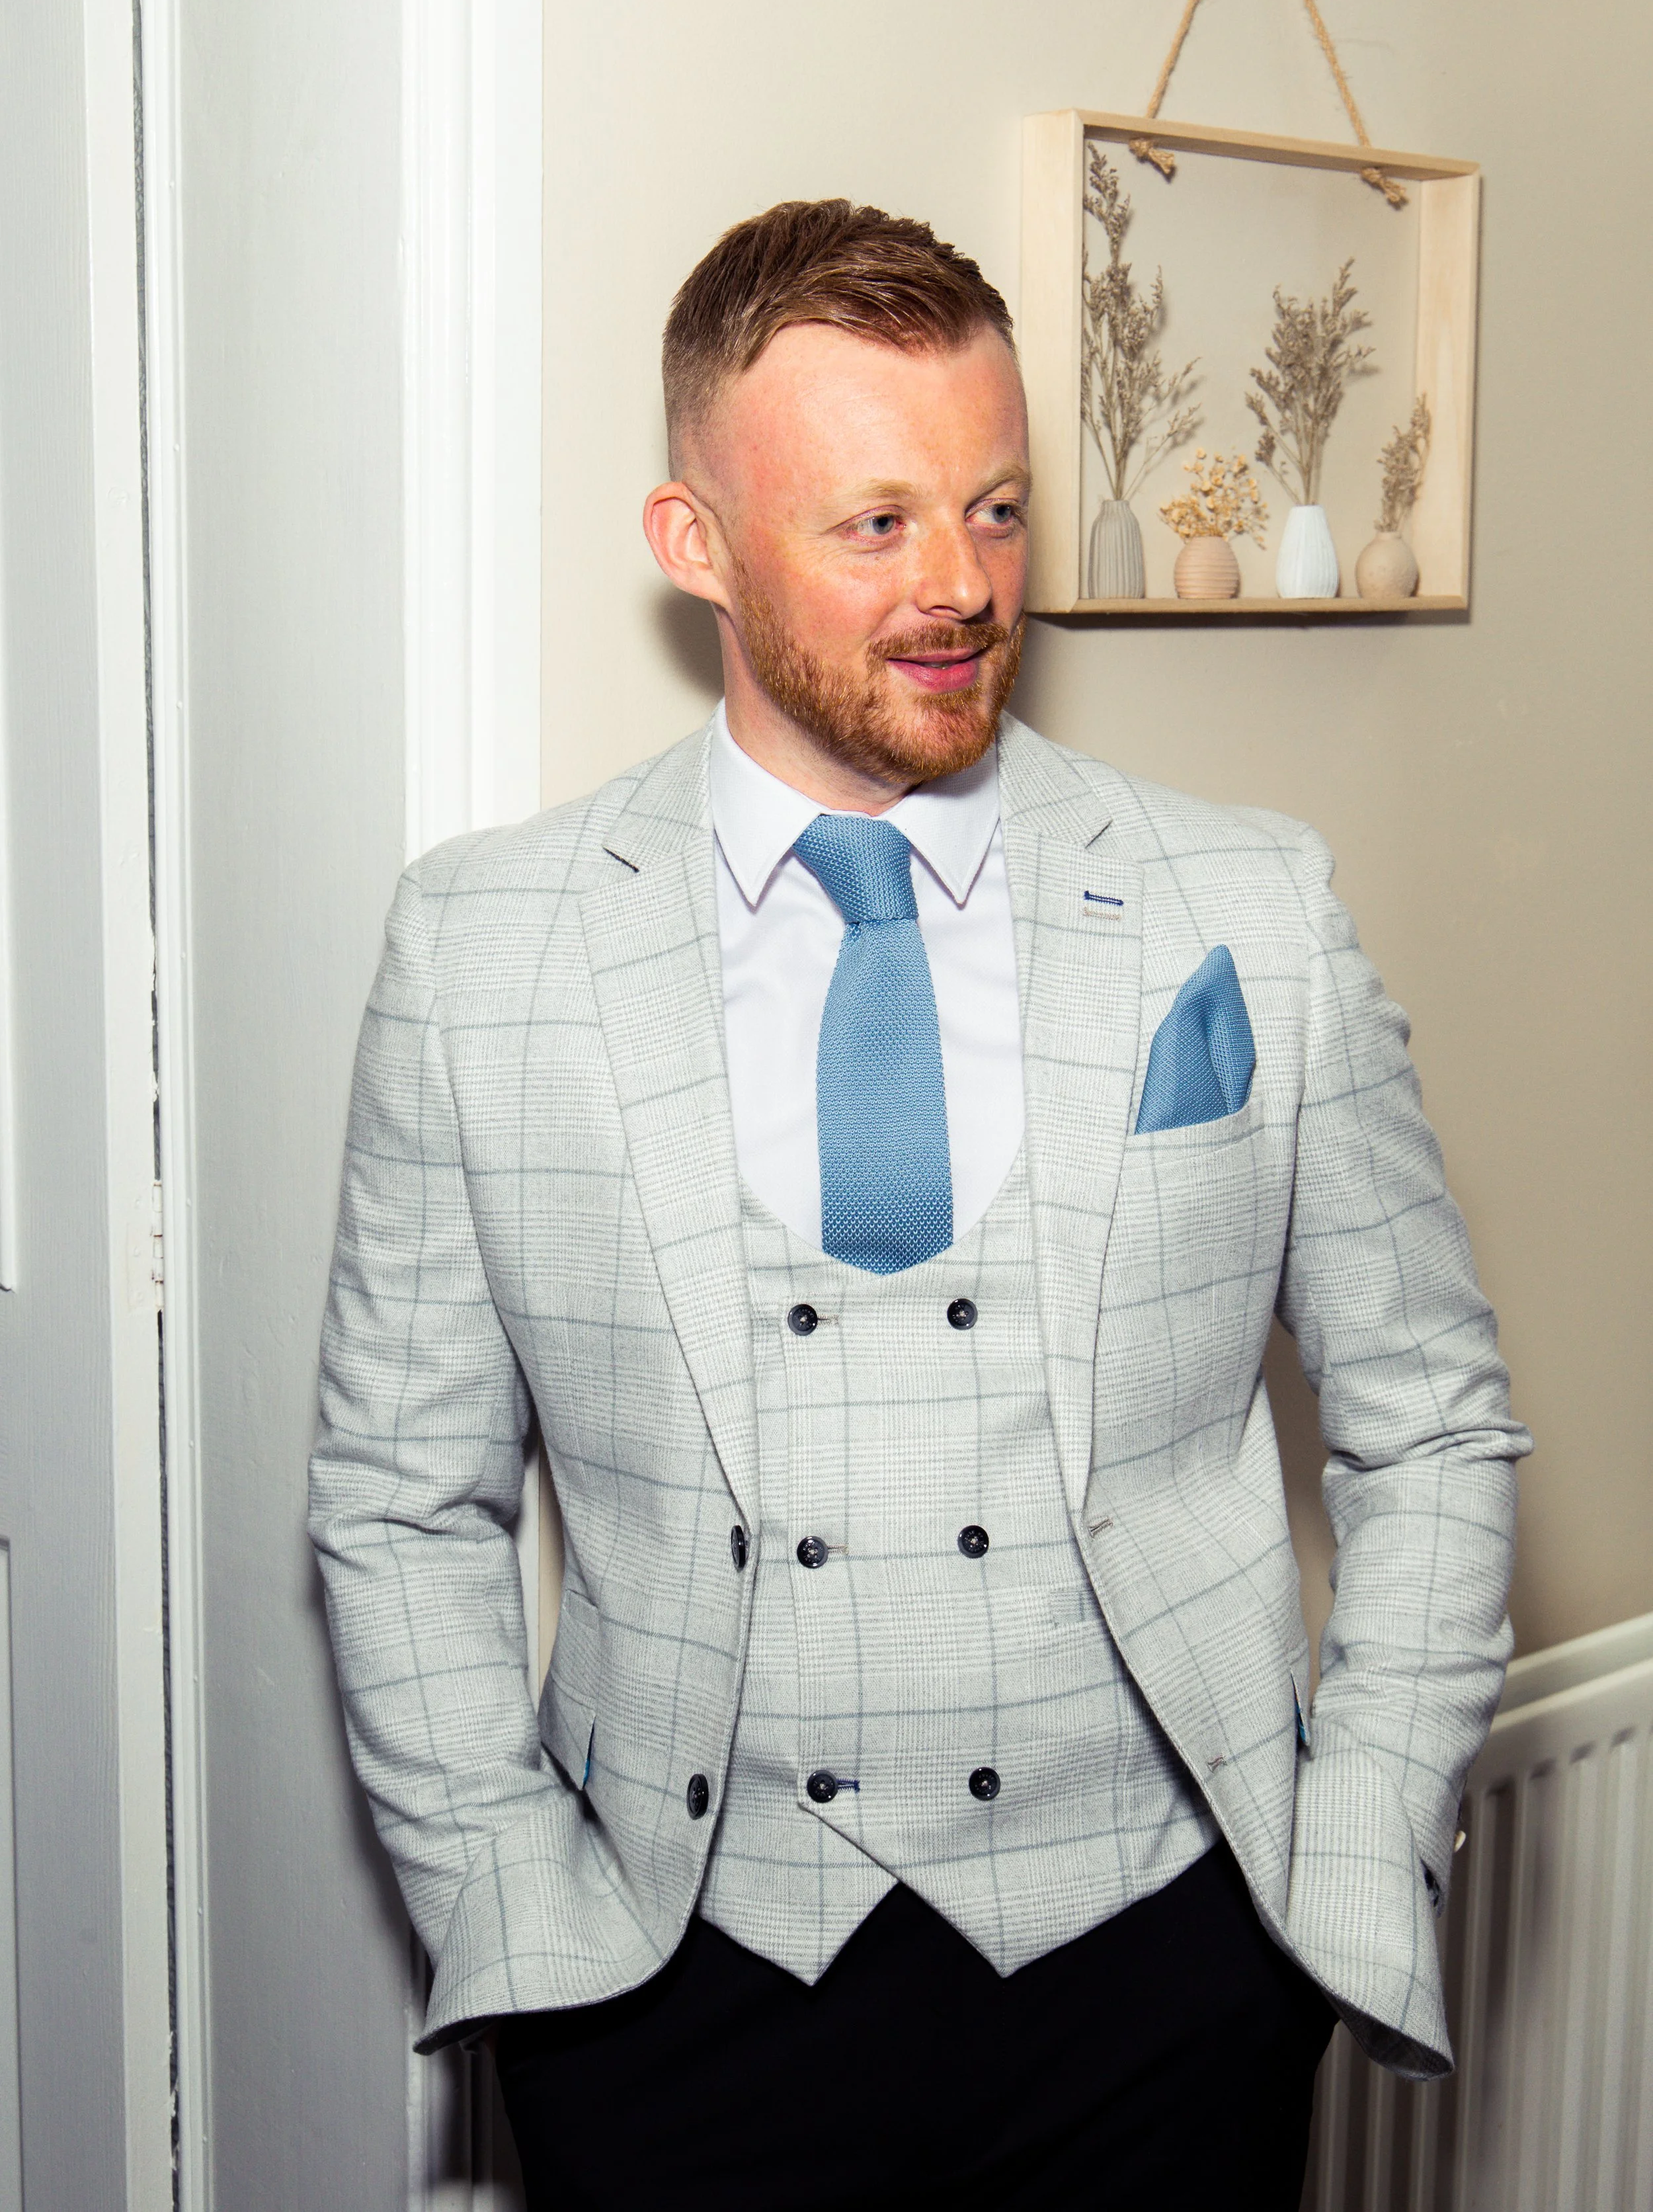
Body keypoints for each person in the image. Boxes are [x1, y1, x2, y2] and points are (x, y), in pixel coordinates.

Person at [309, 199, 1529, 2209]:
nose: (957, 587)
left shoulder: (1250, 909)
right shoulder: (481, 948)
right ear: (693, 542)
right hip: (669, 2005)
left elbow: (1433, 1417)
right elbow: (396, 1490)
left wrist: (1345, 1845)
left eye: (991, 509)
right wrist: (514, 1919)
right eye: (871, 525)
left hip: (1165, 1979)